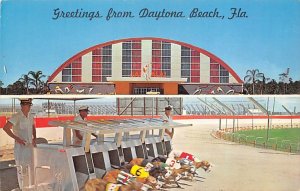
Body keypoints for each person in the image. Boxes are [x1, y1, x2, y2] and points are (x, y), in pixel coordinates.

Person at [3, 98, 36, 188]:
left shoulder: (31, 116)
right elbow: (5, 128)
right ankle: (22, 188)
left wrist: (34, 138)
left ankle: (30, 187)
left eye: (30, 105)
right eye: (27, 105)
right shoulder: (16, 116)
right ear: (22, 105)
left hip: (29, 146)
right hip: (20, 147)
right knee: (21, 168)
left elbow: (33, 126)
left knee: (30, 167)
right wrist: (17, 139)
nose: (29, 107)